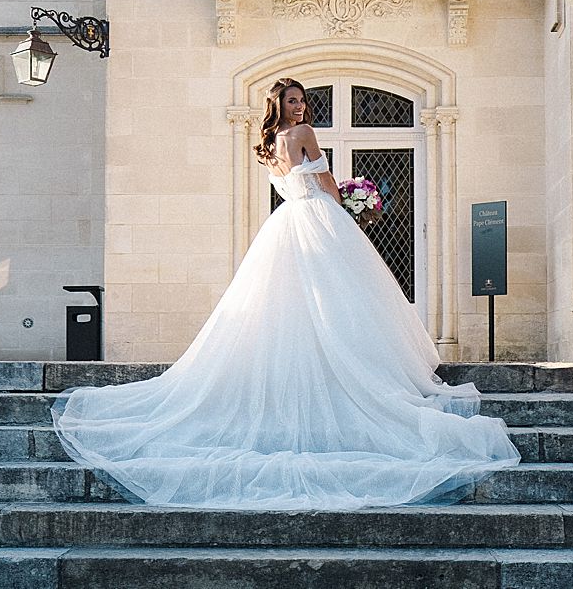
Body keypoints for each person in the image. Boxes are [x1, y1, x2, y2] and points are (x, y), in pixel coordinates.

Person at [51, 75, 520, 509]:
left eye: (302, 101)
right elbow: (327, 185)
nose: (300, 108)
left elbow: (293, 183)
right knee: (338, 298)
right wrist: (354, 205)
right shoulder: (303, 135)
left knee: (294, 303)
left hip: (287, 223)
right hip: (318, 218)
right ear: (281, 105)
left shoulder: (270, 145)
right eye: (293, 101)